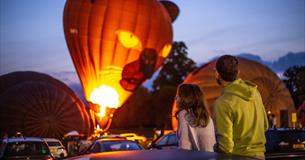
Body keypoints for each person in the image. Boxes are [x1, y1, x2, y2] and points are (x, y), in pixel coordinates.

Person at [213, 55, 269, 159]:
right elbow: (265, 125)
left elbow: (226, 147)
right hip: (260, 156)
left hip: (239, 156)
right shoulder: (255, 92)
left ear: (217, 74)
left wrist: (214, 148)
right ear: (238, 72)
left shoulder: (222, 103)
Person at [175, 83, 216, 152]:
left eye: (178, 95)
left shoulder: (184, 114)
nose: (176, 97)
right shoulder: (207, 117)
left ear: (186, 98)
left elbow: (184, 145)